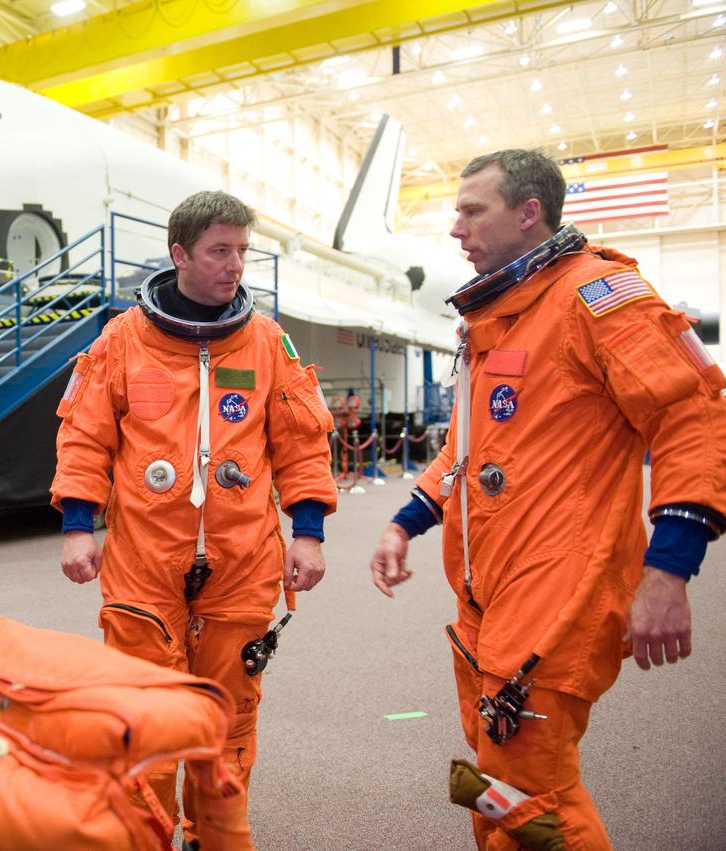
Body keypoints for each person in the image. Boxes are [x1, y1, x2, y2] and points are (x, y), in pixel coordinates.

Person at [368, 149, 726, 850]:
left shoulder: (599, 298)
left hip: (562, 589)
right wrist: (405, 521)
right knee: (495, 770)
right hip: (487, 588)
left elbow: (695, 416)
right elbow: (471, 449)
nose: (454, 228)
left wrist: (669, 568)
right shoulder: (496, 317)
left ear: (529, 213)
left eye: (472, 210)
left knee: (531, 786)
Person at [50, 190, 338, 848]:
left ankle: (215, 834)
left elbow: (303, 442)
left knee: (228, 713)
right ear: (180, 254)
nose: (235, 265)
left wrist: (311, 532)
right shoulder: (123, 340)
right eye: (219, 251)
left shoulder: (268, 343)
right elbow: (85, 436)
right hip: (143, 563)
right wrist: (76, 525)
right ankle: (147, 834)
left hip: (242, 562)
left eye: (241, 251)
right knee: (146, 713)